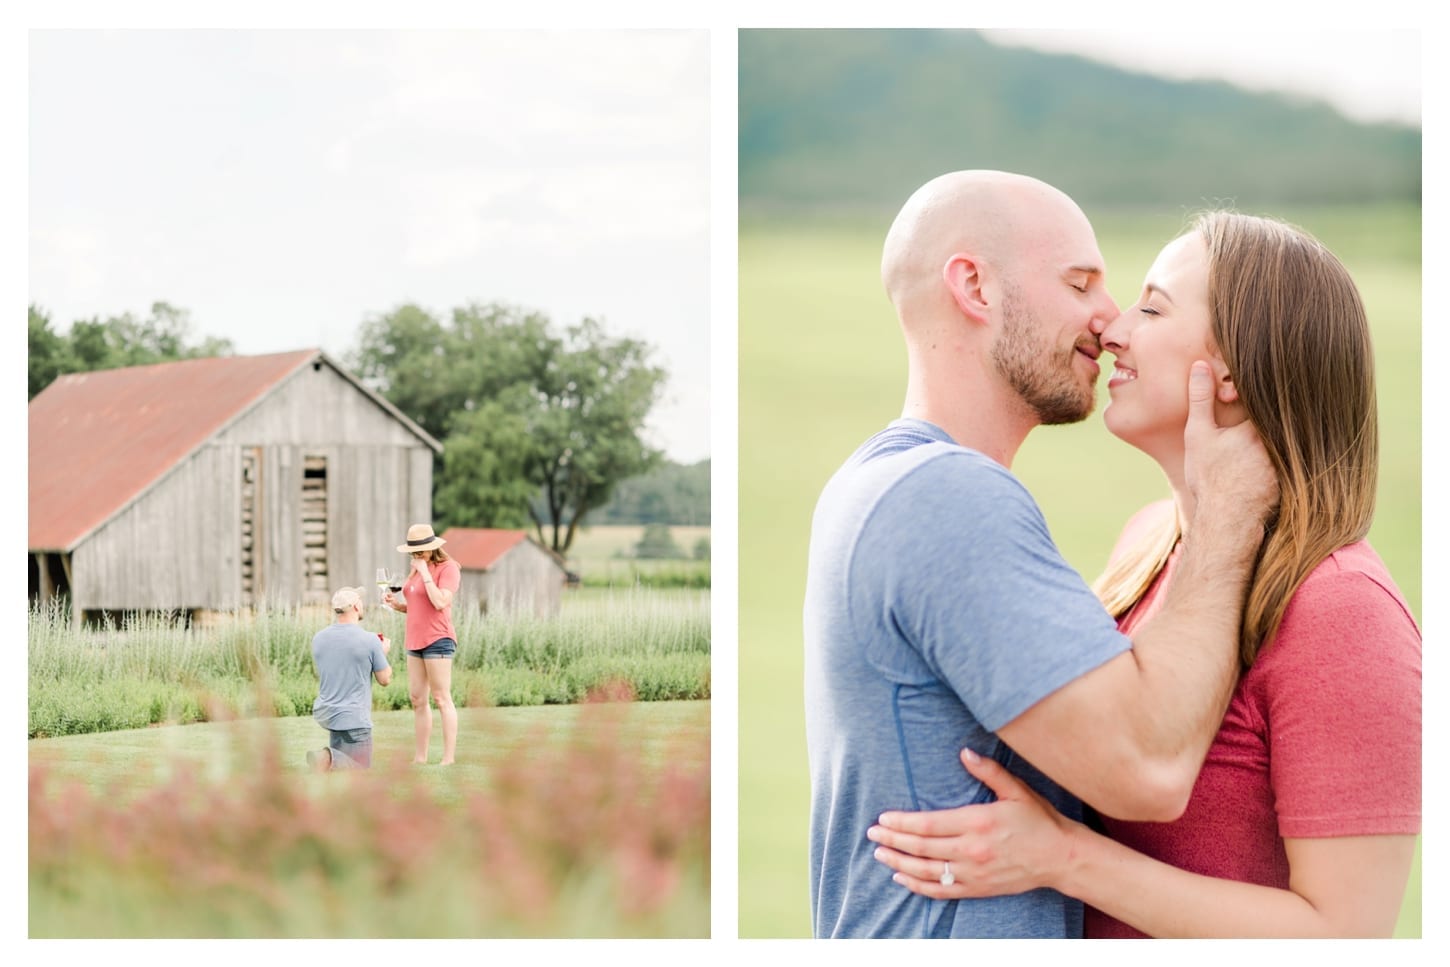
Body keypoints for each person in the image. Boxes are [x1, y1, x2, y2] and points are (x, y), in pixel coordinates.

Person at [866, 211, 1421, 937]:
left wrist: (1066, 858)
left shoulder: (1342, 609)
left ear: (1230, 366)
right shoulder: (1147, 544)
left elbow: (1346, 936)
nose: (1114, 329)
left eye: (1152, 307)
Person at [803, 170, 1279, 938]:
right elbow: (1147, 768)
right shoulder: (947, 498)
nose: (1110, 317)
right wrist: (1226, 514)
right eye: (1081, 282)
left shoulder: (878, 480)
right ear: (976, 288)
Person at [383, 523, 461, 765]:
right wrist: (397, 606)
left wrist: (425, 572)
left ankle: (448, 758)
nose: (416, 556)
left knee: (441, 698)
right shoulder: (416, 569)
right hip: (414, 640)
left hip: (438, 639)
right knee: (417, 699)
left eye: (421, 551)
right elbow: (418, 605)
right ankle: (420, 757)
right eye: (413, 552)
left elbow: (439, 602)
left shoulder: (448, 569)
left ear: (431, 548)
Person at [308, 586, 392, 771]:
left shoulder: (318, 638)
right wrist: (381, 652)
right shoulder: (369, 640)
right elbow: (385, 679)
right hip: (355, 719)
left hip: (328, 714)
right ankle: (325, 758)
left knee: (340, 774)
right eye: (360, 601)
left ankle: (330, 759)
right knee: (361, 769)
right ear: (355, 606)